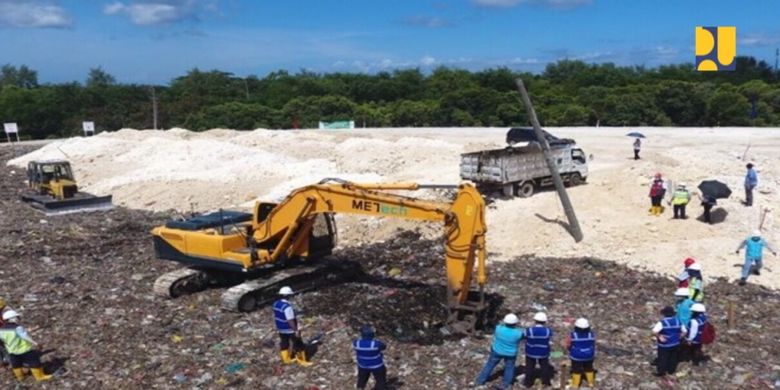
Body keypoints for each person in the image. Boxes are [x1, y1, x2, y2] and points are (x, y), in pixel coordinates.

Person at [475, 313, 524, 389]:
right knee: (509, 368)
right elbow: (523, 336)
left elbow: (497, 327)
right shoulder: (518, 333)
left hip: (497, 351)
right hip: (510, 353)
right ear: (515, 323)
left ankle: (480, 381)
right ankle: (505, 384)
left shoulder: (498, 328)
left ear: (505, 322)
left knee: (489, 365)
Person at [0, 310, 52, 382]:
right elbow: (25, 337)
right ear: (12, 318)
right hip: (25, 350)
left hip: (12, 352)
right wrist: (36, 343)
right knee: (34, 363)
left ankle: (20, 378)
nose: (18, 319)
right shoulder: (17, 328)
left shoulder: (2, 329)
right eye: (17, 317)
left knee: (16, 365)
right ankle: (39, 377)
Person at [272, 286, 312, 366]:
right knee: (298, 343)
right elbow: (290, 320)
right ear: (287, 296)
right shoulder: (287, 307)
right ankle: (302, 360)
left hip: (280, 328)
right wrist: (295, 330)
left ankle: (286, 359)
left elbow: (277, 315)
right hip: (289, 329)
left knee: (284, 343)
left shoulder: (276, 303)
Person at [652, 306, 686, 377]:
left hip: (664, 344)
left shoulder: (662, 323)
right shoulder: (678, 321)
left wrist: (659, 336)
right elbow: (685, 331)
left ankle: (661, 372)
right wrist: (679, 337)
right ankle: (671, 370)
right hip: (675, 343)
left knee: (662, 358)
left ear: (664, 314)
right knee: (673, 357)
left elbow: (654, 331)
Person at [562, 318, 596, 388]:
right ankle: (590, 383)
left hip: (577, 356)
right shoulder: (591, 335)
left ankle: (575, 385)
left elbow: (567, 344)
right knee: (589, 368)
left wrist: (568, 349)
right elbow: (593, 344)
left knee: (576, 370)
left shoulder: (573, 335)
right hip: (589, 355)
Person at [523, 312, 553, 388]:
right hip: (543, 352)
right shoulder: (548, 331)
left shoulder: (529, 330)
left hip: (531, 351)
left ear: (535, 320)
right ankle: (546, 382)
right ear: (545, 321)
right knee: (544, 367)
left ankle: (528, 383)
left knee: (529, 367)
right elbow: (549, 337)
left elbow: (524, 336)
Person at [353, 325, 387, 390]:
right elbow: (384, 347)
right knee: (381, 380)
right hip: (377, 366)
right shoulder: (376, 344)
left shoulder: (356, 343)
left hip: (363, 366)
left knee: (361, 381)